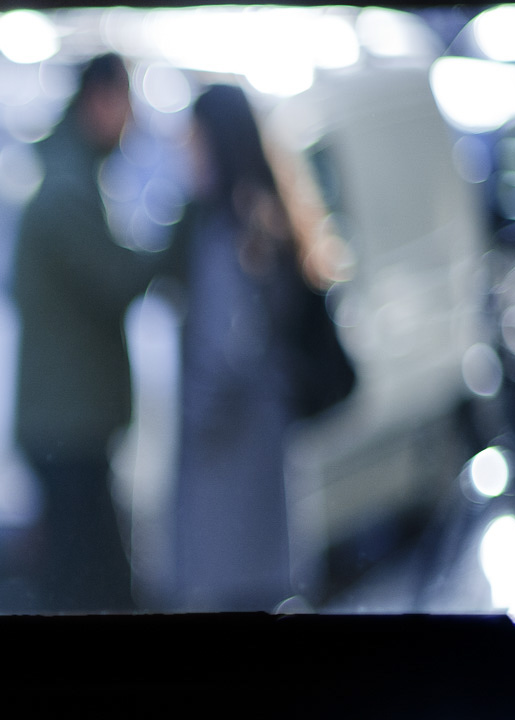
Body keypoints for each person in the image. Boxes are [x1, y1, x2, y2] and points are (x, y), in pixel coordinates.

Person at [167, 84, 333, 611]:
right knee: (261, 587)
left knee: (231, 592)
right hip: (263, 430)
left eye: (191, 140)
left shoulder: (229, 228)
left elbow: (226, 344)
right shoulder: (267, 212)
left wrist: (199, 416)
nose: (184, 152)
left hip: (229, 447)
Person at [11, 53, 165, 613]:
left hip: (66, 419)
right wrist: (182, 233)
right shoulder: (66, 187)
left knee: (82, 573)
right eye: (127, 103)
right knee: (89, 582)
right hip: (66, 424)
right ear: (100, 100)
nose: (132, 120)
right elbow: (116, 279)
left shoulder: (70, 173)